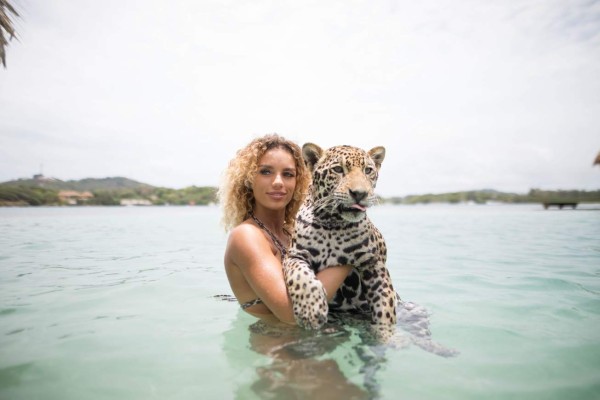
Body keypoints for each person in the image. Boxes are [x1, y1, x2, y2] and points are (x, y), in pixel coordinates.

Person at [219, 134, 353, 325]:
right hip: (279, 347)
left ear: (298, 182)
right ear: (248, 179)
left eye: (288, 174)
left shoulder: (294, 230)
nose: (278, 182)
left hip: (321, 336)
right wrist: (350, 252)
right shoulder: (246, 236)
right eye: (266, 172)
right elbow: (293, 315)